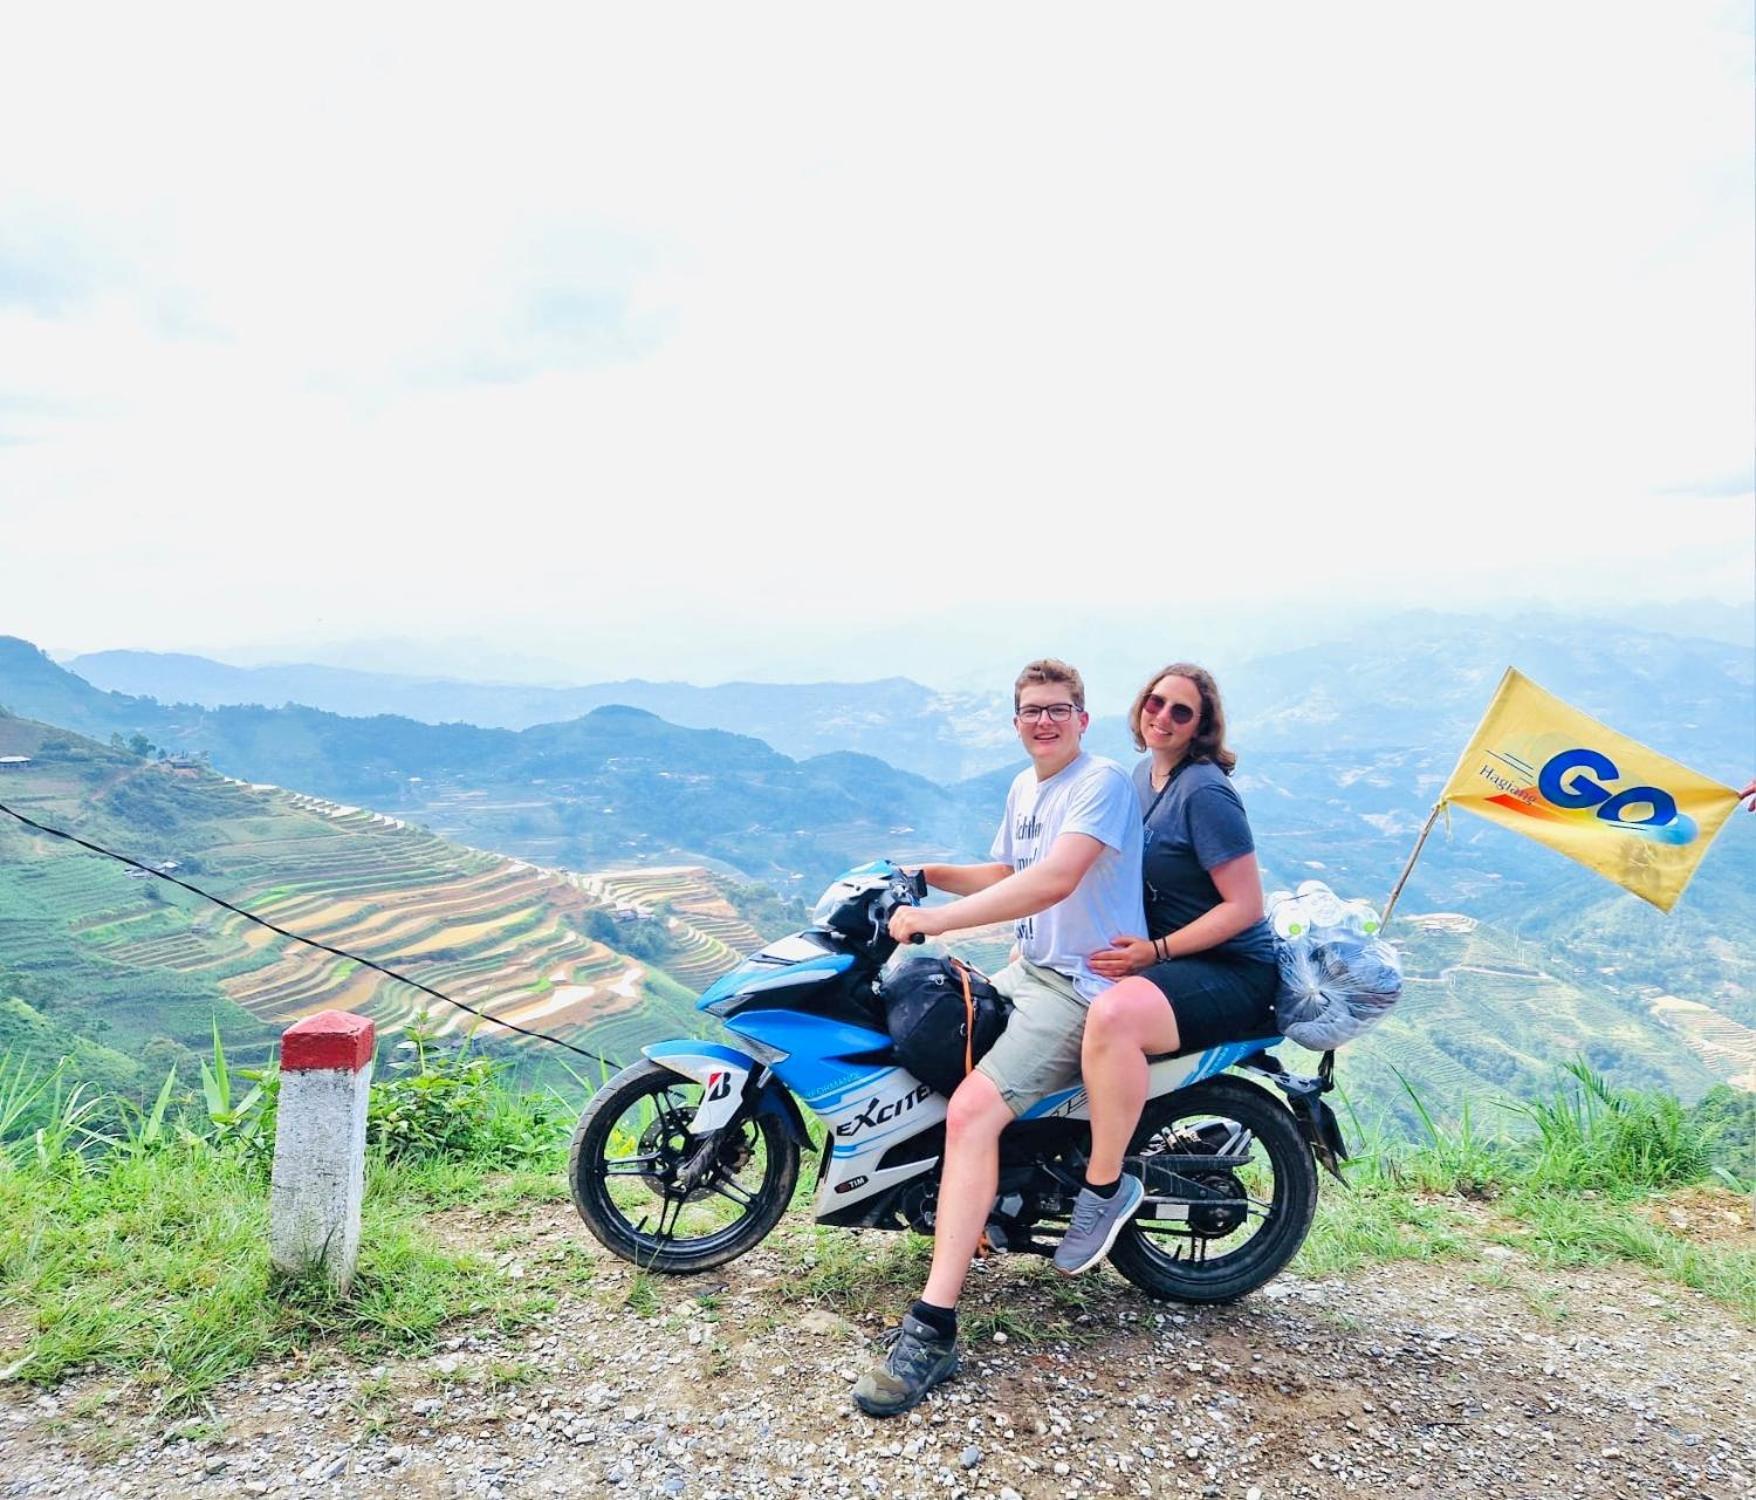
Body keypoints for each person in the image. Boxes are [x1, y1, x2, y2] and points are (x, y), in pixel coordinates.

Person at [851, 658, 1144, 1417]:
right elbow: (1010, 870)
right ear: (1016, 723)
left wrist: (936, 922)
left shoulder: (1100, 781)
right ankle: (990, 1188)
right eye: (1030, 711)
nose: (1043, 721)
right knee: (922, 1036)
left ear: (1083, 718)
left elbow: (1055, 881)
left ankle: (933, 1328)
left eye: (1058, 709)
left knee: (970, 1112)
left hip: (1083, 989)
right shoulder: (1027, 788)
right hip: (1032, 970)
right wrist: (925, 872)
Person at [1051, 663, 1279, 1276]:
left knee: (1114, 1017)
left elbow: (1245, 906)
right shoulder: (1142, 777)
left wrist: (1156, 953)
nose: (1163, 717)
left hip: (1231, 969)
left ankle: (1102, 1192)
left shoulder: (1204, 791)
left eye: (1182, 711)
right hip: (1177, 959)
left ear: (1202, 727)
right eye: (1156, 702)